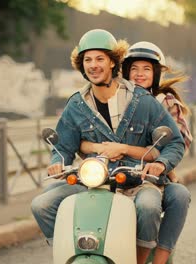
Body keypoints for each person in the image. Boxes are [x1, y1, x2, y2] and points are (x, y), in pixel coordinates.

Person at [31, 29, 185, 264]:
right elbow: (62, 145)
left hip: (137, 182)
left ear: (113, 62)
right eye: (88, 60)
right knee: (42, 205)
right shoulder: (76, 105)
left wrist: (161, 164)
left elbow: (174, 141)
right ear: (81, 65)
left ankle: (140, 260)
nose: (93, 65)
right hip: (94, 183)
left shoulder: (141, 101)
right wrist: (56, 163)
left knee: (149, 205)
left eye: (100, 59)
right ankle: (69, 251)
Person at [79, 41, 193, 264]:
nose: (139, 74)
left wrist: (160, 163)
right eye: (134, 69)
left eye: (146, 69)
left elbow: (175, 142)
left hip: (154, 174)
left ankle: (159, 259)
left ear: (156, 73)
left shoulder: (164, 102)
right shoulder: (116, 99)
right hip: (111, 173)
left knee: (179, 196)